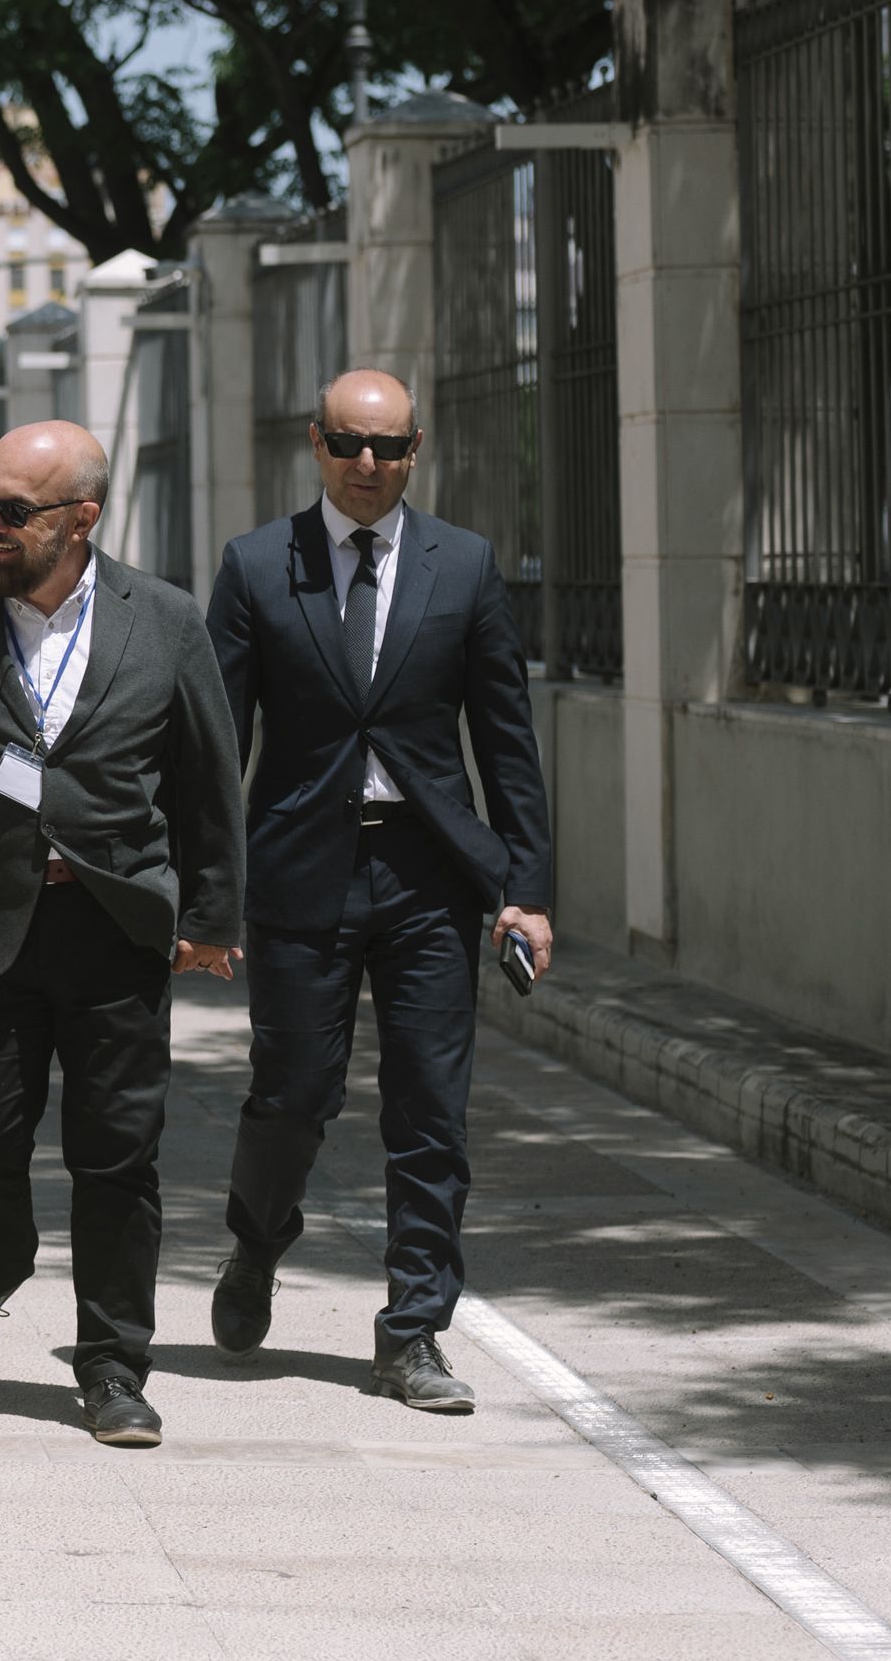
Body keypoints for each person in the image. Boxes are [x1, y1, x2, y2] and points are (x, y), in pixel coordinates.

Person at [0, 420, 244, 1448]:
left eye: (13, 511)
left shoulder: (164, 622)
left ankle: (113, 1363)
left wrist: (210, 916)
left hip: (116, 929)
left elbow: (210, 784)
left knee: (120, 1157)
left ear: (82, 518)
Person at [203, 367, 555, 1414]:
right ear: (315, 444)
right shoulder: (260, 566)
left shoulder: (466, 567)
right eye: (349, 445)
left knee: (430, 1112)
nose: (368, 466)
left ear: (416, 450)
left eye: (389, 449)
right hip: (299, 874)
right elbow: (218, 748)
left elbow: (508, 744)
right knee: (294, 1094)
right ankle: (258, 1243)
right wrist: (207, 896)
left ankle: (412, 1332)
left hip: (430, 878)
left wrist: (525, 886)